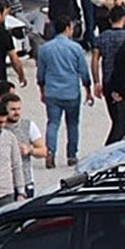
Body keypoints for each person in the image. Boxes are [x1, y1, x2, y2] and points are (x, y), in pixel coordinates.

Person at [36, 17, 92, 168]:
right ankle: (71, 155)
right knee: (72, 124)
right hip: (71, 91)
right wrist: (88, 90)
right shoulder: (75, 48)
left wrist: (41, 90)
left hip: (52, 91)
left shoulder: (45, 48)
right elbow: (83, 72)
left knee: (53, 123)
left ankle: (50, 152)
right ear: (68, 28)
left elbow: (41, 73)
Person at [91, 11, 125, 144]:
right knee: (121, 120)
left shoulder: (102, 37)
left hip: (107, 80)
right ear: (123, 19)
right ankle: (111, 146)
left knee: (115, 117)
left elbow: (95, 60)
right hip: (123, 82)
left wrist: (96, 82)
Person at [0, 93, 44, 198]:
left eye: (19, 109)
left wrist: (29, 150)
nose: (17, 112)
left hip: (25, 180)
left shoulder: (28, 126)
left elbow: (43, 150)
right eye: (13, 109)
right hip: (3, 183)